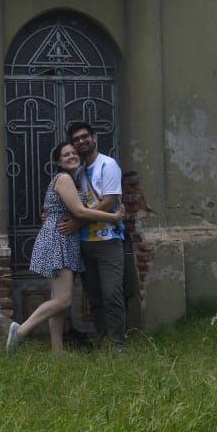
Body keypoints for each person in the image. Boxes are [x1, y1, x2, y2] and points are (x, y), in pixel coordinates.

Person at [7, 140, 124, 354]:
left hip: (64, 239)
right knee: (63, 300)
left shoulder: (72, 180)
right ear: (58, 161)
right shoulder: (63, 179)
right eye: (65, 155)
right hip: (58, 239)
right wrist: (113, 217)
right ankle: (20, 332)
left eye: (73, 153)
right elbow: (80, 212)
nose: (71, 156)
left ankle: (57, 350)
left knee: (57, 298)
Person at [57, 121, 128, 349]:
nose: (81, 141)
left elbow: (108, 203)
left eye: (85, 136)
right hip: (85, 243)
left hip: (108, 241)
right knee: (94, 297)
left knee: (112, 293)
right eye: (76, 139)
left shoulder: (108, 165)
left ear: (94, 137)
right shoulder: (77, 171)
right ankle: (103, 338)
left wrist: (78, 222)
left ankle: (117, 344)